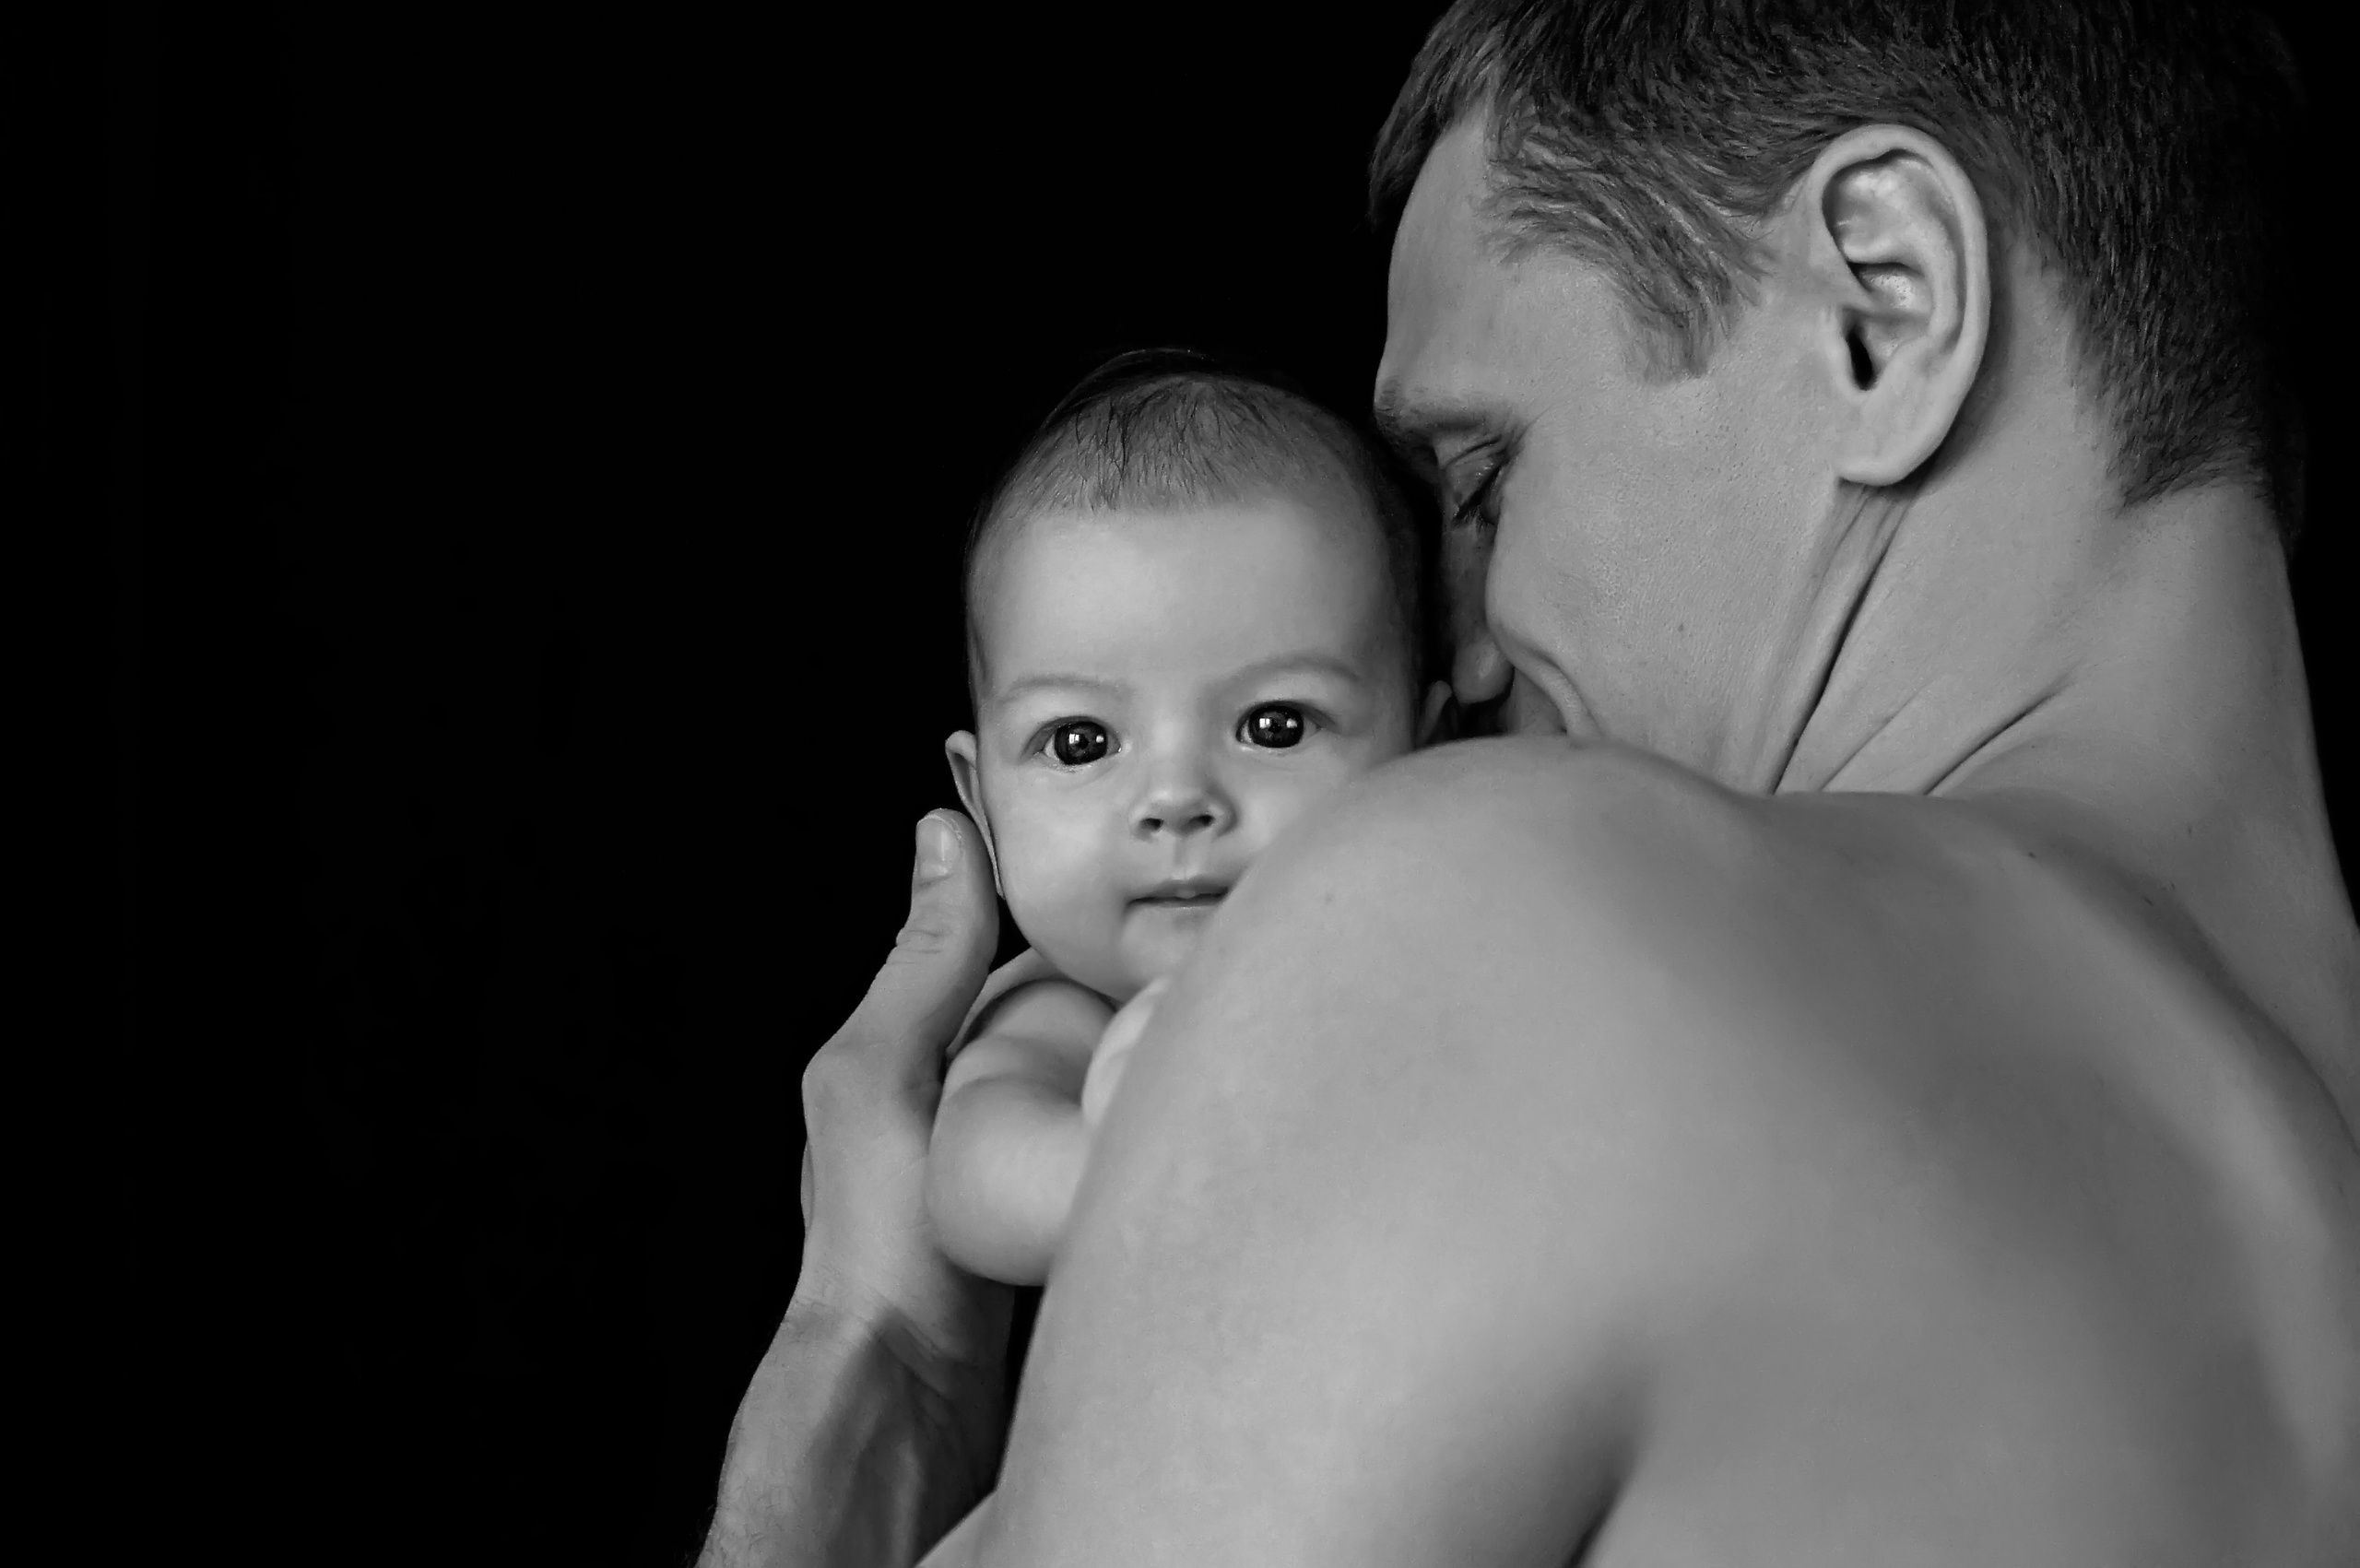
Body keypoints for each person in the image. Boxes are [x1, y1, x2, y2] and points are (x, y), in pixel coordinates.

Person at [702, 3, 2360, 1564]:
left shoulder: (1506, 928)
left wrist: (868, 1364)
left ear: (1884, 304)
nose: (1466, 657)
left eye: (1480, 476)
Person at [926, 351, 1443, 1286]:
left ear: (1427, 751)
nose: (1176, 799)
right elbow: (973, 1180)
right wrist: (1138, 1172)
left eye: (1273, 726)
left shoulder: (1452, 952)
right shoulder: (1064, 1009)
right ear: (983, 807)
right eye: (1081, 743)